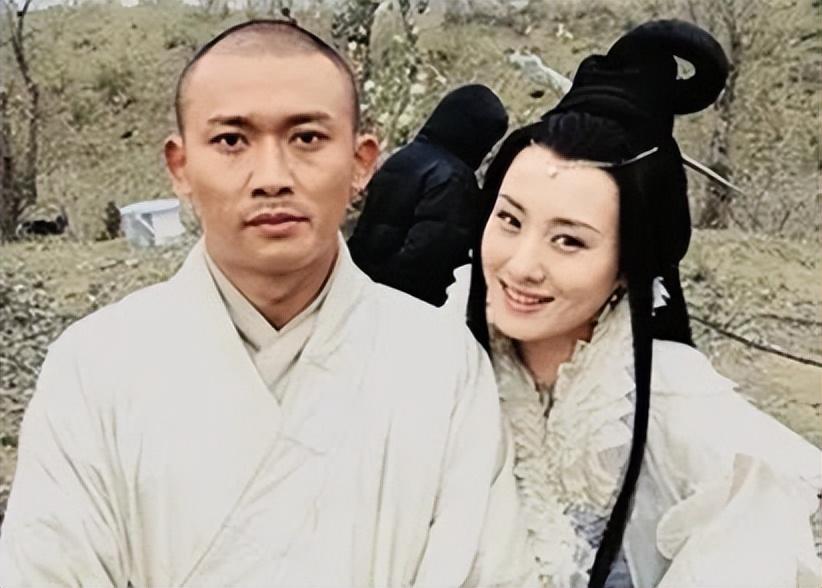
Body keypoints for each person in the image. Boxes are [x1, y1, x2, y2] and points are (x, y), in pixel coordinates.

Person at [0, 20, 532, 587]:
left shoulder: (441, 364)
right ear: (181, 167)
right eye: (232, 141)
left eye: (307, 138)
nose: (272, 178)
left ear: (361, 161)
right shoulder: (94, 366)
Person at [466, 19, 822, 588]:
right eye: (509, 220)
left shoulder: (682, 411)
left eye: (569, 240)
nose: (522, 264)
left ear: (629, 266)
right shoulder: (438, 360)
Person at [348, 84, 508, 307]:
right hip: (400, 303)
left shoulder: (404, 157)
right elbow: (429, 257)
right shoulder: (454, 179)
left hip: (359, 284)